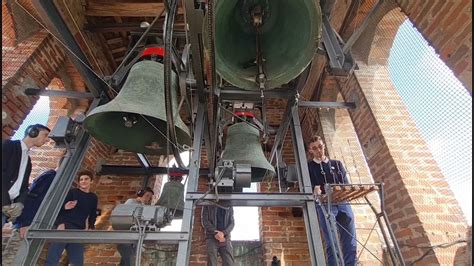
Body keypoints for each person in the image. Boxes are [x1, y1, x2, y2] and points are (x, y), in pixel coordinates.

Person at [307, 135, 357, 266]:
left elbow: (345, 183)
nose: (319, 150)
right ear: (310, 150)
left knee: (350, 239)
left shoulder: (336, 164)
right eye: (315, 148)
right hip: (324, 204)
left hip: (342, 202)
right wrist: (314, 189)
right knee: (331, 241)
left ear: (324, 146)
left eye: (320, 146)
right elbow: (310, 187)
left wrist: (340, 189)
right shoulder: (309, 167)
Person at [45, 170, 98, 266]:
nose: (83, 181)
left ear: (91, 181)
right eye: (81, 179)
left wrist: (90, 227)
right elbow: (58, 209)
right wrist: (60, 222)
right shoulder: (73, 193)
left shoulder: (93, 197)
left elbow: (93, 214)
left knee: (77, 261)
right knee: (54, 256)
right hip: (65, 226)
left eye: (86, 179)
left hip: (78, 230)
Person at [2, 124, 51, 227]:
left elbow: (24, 186)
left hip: (7, 207)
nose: (47, 140)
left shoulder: (28, 161)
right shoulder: (8, 146)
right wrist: (5, 202)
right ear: (32, 132)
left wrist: (19, 203)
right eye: (45, 135)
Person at [13, 156, 65, 238]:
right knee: (15, 248)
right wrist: (25, 223)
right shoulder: (49, 177)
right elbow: (32, 198)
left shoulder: (55, 179)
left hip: (33, 223)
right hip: (26, 224)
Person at [116, 187, 154, 266]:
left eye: (149, 197)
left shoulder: (143, 206)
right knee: (131, 260)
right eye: (147, 195)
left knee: (126, 261)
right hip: (126, 238)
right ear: (140, 194)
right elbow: (127, 215)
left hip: (133, 241)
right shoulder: (131, 201)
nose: (148, 199)